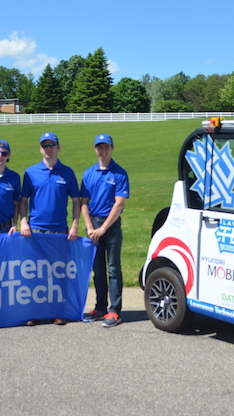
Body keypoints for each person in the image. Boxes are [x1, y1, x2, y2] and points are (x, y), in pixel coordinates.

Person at [19, 132, 81, 326]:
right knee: (35, 272)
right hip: (36, 229)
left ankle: (59, 311)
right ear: (40, 149)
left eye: (52, 145)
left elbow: (77, 201)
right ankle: (34, 312)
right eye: (45, 145)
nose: (49, 149)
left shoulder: (67, 172)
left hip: (60, 231)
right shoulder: (30, 172)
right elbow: (23, 201)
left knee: (59, 273)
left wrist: (75, 224)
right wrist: (23, 222)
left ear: (58, 147)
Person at [81, 134, 130, 328]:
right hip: (93, 225)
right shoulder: (88, 173)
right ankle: (100, 307)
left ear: (112, 148)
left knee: (113, 269)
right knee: (98, 269)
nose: (103, 151)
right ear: (95, 149)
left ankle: (114, 310)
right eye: (99, 147)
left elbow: (119, 204)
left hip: (111, 226)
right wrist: (90, 227)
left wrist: (102, 228)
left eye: (106, 147)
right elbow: (83, 203)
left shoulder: (119, 173)